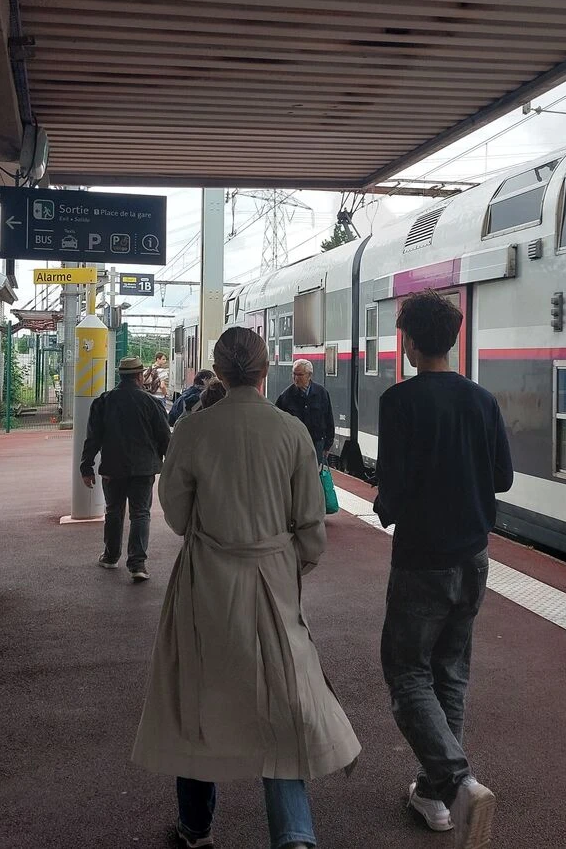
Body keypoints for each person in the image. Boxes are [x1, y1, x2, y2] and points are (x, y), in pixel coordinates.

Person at [133, 327, 359, 849]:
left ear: (219, 368)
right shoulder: (291, 432)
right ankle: (294, 834)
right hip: (273, 579)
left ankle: (195, 828)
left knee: (197, 695)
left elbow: (178, 517)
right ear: (264, 371)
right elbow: (312, 530)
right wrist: (286, 563)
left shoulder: (192, 430)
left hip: (206, 580)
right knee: (284, 698)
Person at [374, 289, 512, 849]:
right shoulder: (482, 400)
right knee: (450, 671)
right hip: (473, 558)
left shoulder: (399, 401)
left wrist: (386, 507)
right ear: (452, 340)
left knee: (407, 671)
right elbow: (501, 478)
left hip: (422, 560)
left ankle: (457, 782)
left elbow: (396, 487)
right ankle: (435, 795)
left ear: (408, 341)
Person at [79, 356, 171, 581]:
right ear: (140, 376)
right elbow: (164, 436)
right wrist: (170, 462)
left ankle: (110, 557)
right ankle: (137, 564)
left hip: (113, 468)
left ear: (121, 376)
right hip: (143, 469)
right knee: (140, 513)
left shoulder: (104, 401)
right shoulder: (151, 402)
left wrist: (87, 466)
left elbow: (93, 437)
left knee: (113, 511)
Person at [275, 358, 335, 465]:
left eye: (300, 375)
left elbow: (329, 418)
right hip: (295, 445)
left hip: (316, 443)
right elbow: (277, 422)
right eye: (294, 374)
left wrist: (327, 445)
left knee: (315, 476)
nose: (295, 378)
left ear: (309, 375)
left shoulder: (321, 393)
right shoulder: (286, 396)